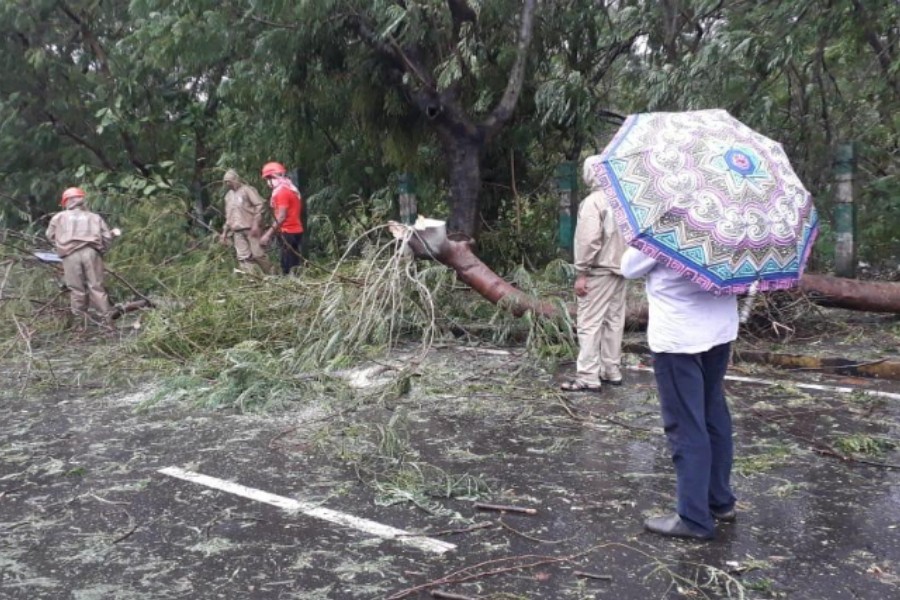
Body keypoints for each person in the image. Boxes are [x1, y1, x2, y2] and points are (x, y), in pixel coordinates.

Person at [621, 246, 739, 540]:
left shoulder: (673, 224)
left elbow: (629, 267)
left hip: (680, 335)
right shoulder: (730, 225)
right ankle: (719, 501)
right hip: (720, 329)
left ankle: (693, 516)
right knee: (713, 413)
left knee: (686, 425)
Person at [561, 155, 627, 392]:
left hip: (598, 270)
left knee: (589, 322)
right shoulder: (621, 200)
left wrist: (581, 272)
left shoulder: (594, 202)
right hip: (621, 269)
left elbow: (588, 240)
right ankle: (611, 369)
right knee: (614, 321)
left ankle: (588, 375)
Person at [46, 187, 117, 328]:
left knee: (76, 289)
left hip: (70, 254)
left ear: (65, 201)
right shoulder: (95, 217)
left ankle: (80, 325)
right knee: (97, 287)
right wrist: (100, 250)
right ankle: (108, 322)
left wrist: (61, 245)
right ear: (82, 200)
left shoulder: (58, 217)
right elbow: (107, 237)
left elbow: (50, 236)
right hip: (91, 252)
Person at [220, 169, 274, 275]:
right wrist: (224, 233)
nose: (228, 184)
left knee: (258, 254)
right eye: (226, 182)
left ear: (236, 179)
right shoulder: (228, 196)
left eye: (229, 181)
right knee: (243, 257)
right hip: (236, 230)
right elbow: (228, 216)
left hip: (251, 228)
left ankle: (272, 275)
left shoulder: (247, 190)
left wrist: (256, 223)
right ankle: (252, 279)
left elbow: (260, 205)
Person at [258, 161, 303, 275]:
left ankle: (291, 285)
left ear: (273, 177)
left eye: (268, 179)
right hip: (297, 230)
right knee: (294, 262)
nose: (267, 182)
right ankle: (297, 283)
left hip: (287, 232)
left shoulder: (281, 192)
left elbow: (281, 216)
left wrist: (267, 235)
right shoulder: (291, 189)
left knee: (287, 264)